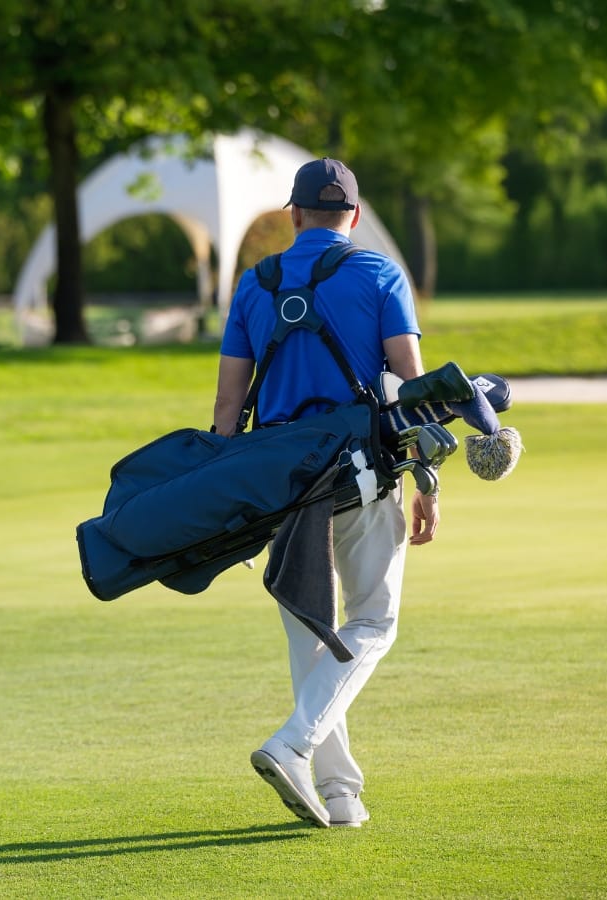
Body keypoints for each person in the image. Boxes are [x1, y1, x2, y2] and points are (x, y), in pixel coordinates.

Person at [212, 157, 439, 828]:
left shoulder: (254, 284)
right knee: (373, 620)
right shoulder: (378, 273)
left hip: (281, 484)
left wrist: (230, 502)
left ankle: (340, 795)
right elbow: (412, 383)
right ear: (356, 217)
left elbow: (228, 407)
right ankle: (294, 744)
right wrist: (428, 477)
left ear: (293, 214)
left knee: (311, 635)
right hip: (363, 476)